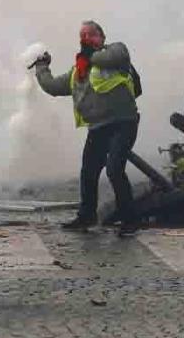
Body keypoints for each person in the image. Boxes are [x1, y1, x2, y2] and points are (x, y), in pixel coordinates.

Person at [32, 20, 141, 236]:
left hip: (123, 122)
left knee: (114, 169)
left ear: (102, 37)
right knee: (88, 172)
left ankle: (130, 220)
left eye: (91, 34)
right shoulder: (78, 72)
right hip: (98, 127)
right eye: (82, 35)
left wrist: (89, 54)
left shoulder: (116, 52)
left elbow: (113, 57)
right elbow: (52, 86)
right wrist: (42, 66)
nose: (86, 39)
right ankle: (87, 216)